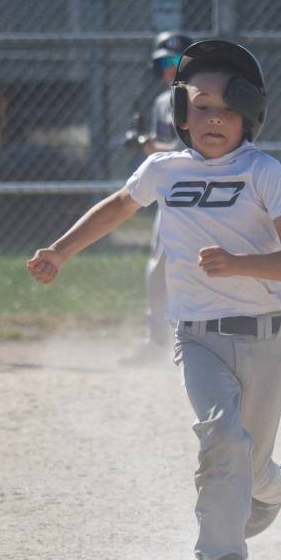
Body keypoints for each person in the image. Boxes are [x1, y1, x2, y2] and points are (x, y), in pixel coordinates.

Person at [27, 40, 281, 560]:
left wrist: (239, 263)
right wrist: (60, 249)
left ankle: (275, 484)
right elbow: (118, 206)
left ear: (249, 115)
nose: (212, 120)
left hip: (265, 340)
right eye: (200, 106)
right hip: (199, 339)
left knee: (252, 466)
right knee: (221, 440)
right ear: (180, 111)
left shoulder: (262, 171)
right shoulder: (165, 169)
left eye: (227, 110)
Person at [119, 31, 194, 367]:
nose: (170, 69)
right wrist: (145, 142)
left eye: (176, 62)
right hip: (170, 198)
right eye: (164, 62)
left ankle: (195, 341)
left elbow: (189, 151)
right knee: (158, 271)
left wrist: (152, 147)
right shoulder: (162, 102)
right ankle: (157, 340)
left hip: (200, 196)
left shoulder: (199, 99)